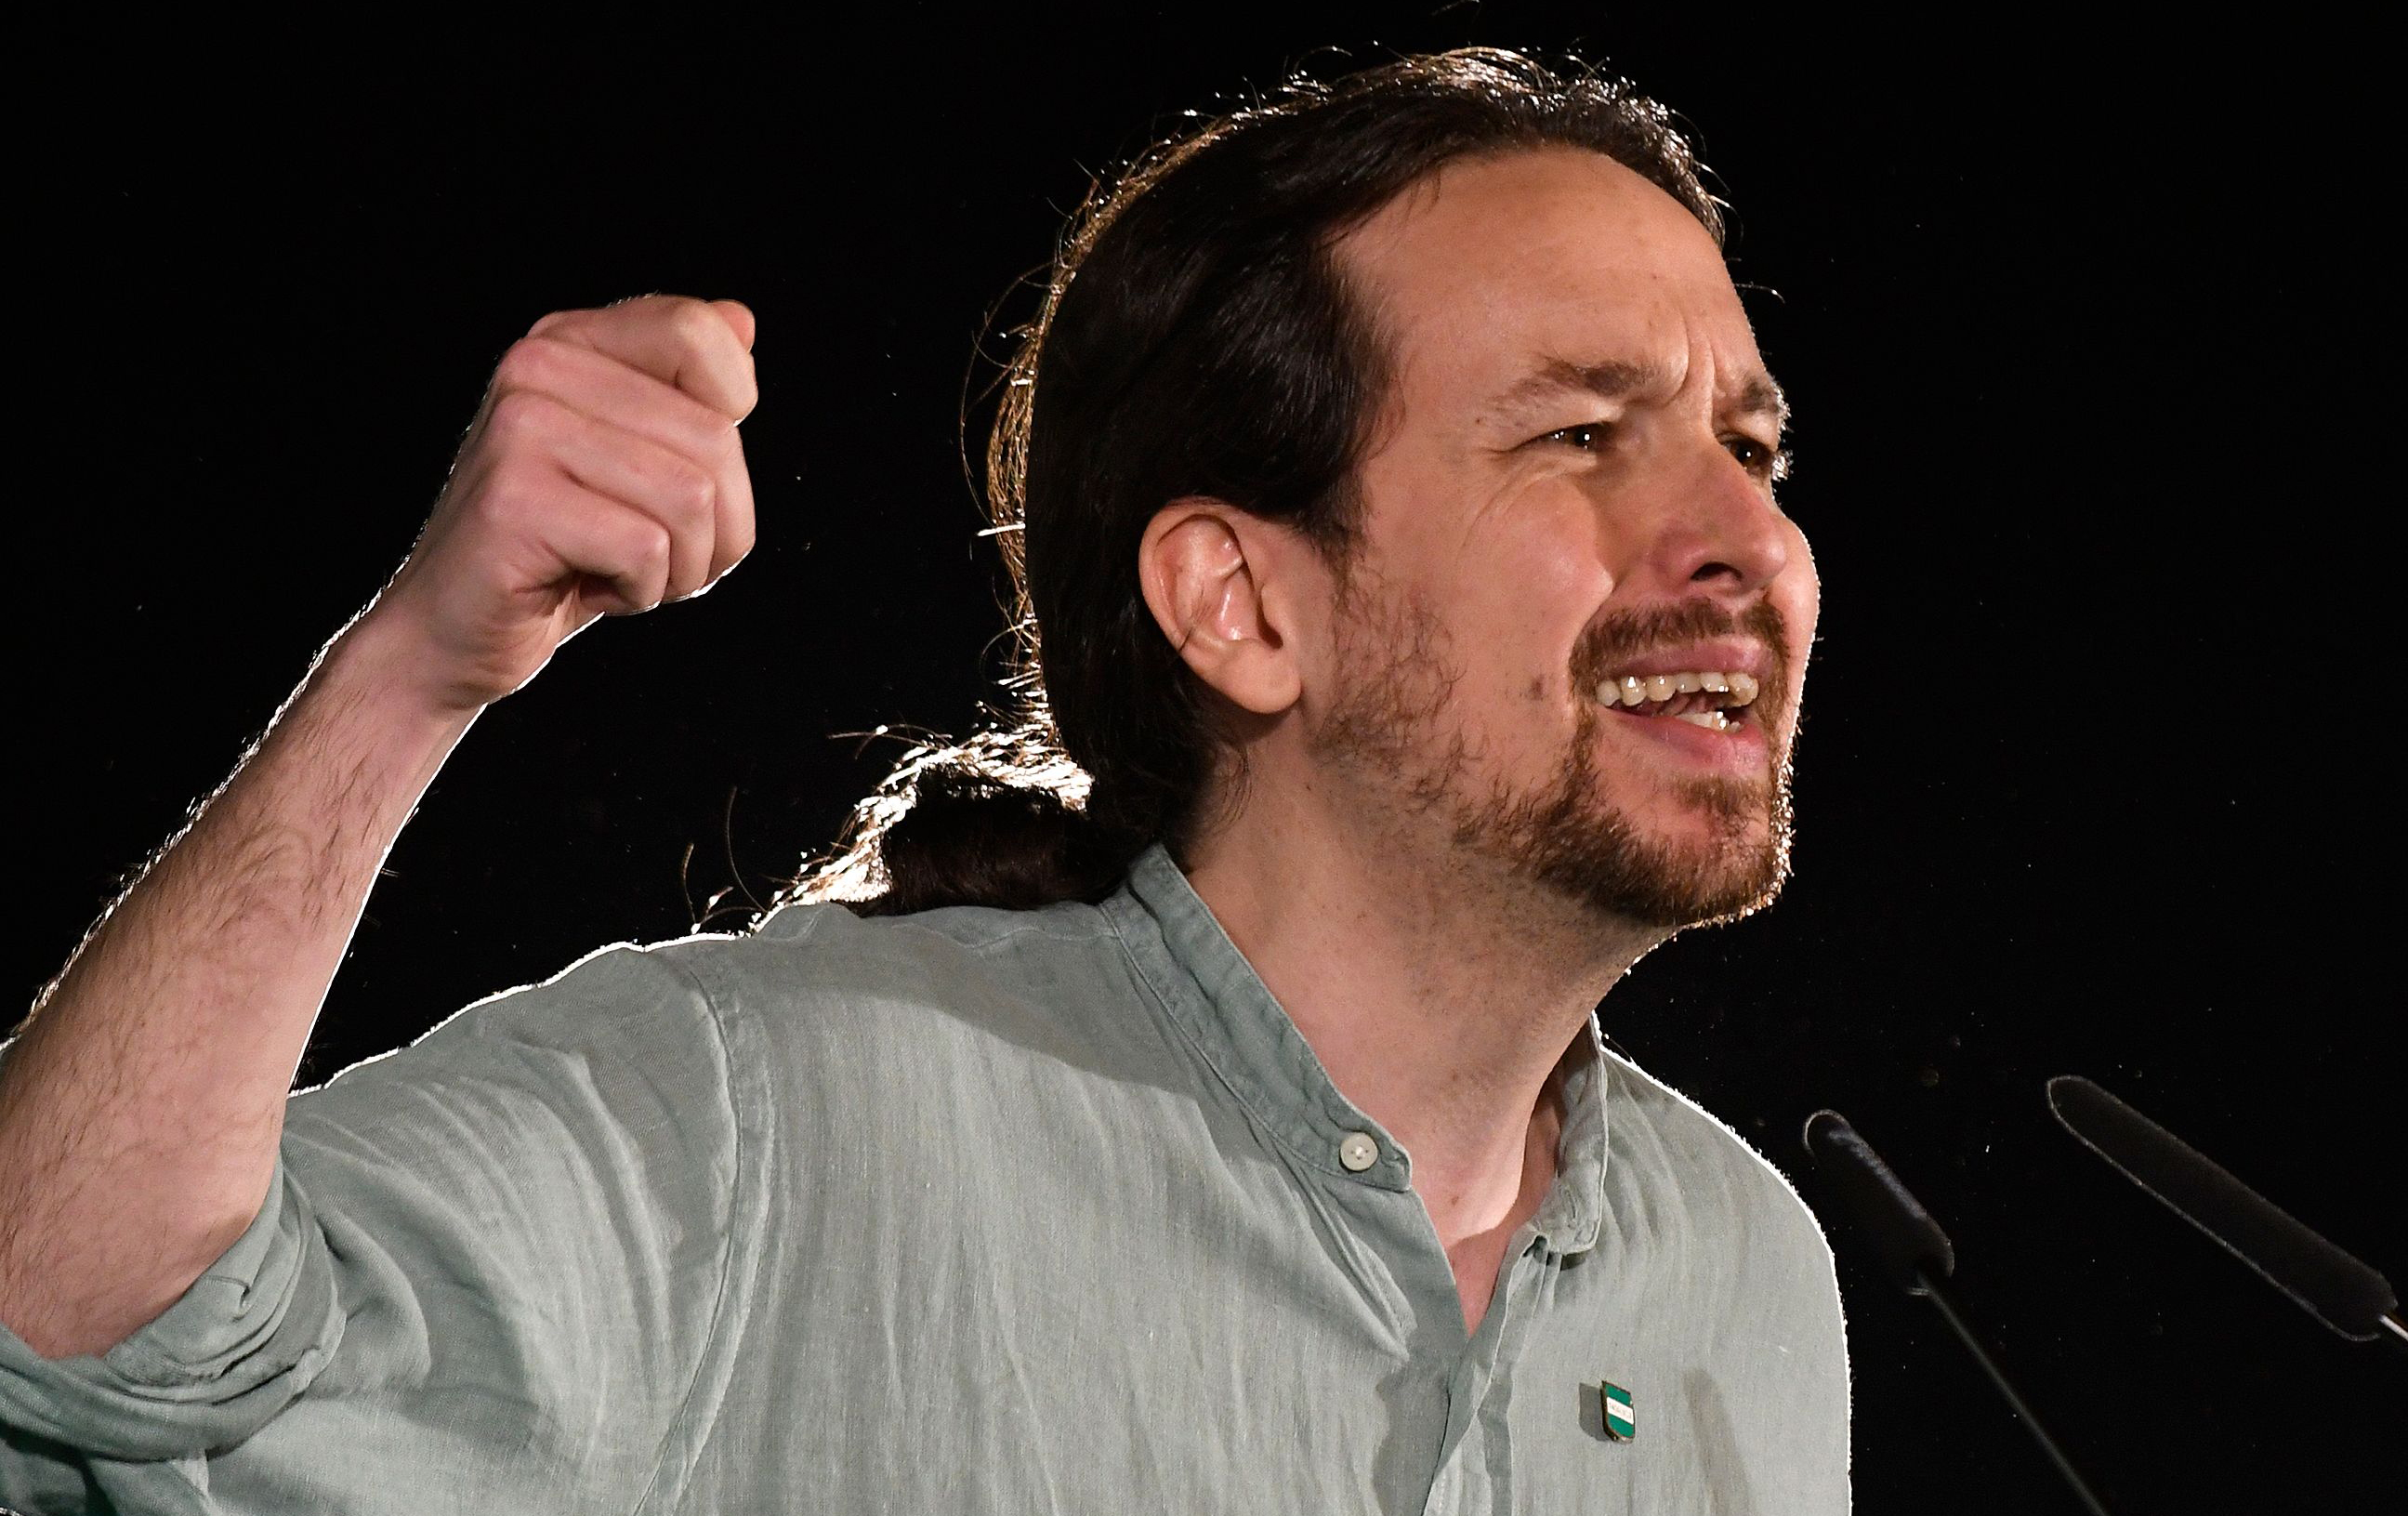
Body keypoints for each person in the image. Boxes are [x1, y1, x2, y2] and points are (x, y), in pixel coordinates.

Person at [0, 47, 1844, 1513]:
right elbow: (68, 1351)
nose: (1747, 541)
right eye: (1580, 433)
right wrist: (411, 672)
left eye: (1751, 448)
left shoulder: (1748, 1275)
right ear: (1243, 604)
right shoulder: (767, 1122)